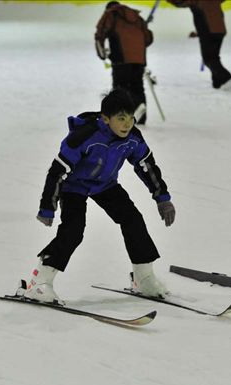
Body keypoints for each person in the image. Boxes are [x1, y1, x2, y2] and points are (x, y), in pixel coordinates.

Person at [18, 89, 175, 305]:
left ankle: (143, 277)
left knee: (132, 219)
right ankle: (40, 282)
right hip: (74, 187)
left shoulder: (132, 138)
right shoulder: (84, 137)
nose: (127, 124)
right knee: (73, 231)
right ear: (105, 118)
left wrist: (162, 198)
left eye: (131, 118)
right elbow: (57, 171)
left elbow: (146, 166)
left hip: (105, 185)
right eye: (121, 118)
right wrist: (48, 206)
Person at [95, 1, 153, 125]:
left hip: (120, 59)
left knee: (120, 89)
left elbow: (100, 32)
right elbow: (148, 39)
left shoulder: (111, 14)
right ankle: (140, 116)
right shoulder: (137, 18)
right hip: (139, 60)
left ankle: (120, 120)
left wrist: (101, 53)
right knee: (137, 88)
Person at [167, 0, 231, 89]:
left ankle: (226, 77)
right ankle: (217, 83)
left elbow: (180, 2)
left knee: (208, 58)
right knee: (214, 57)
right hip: (219, 30)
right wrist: (198, 33)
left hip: (208, 31)